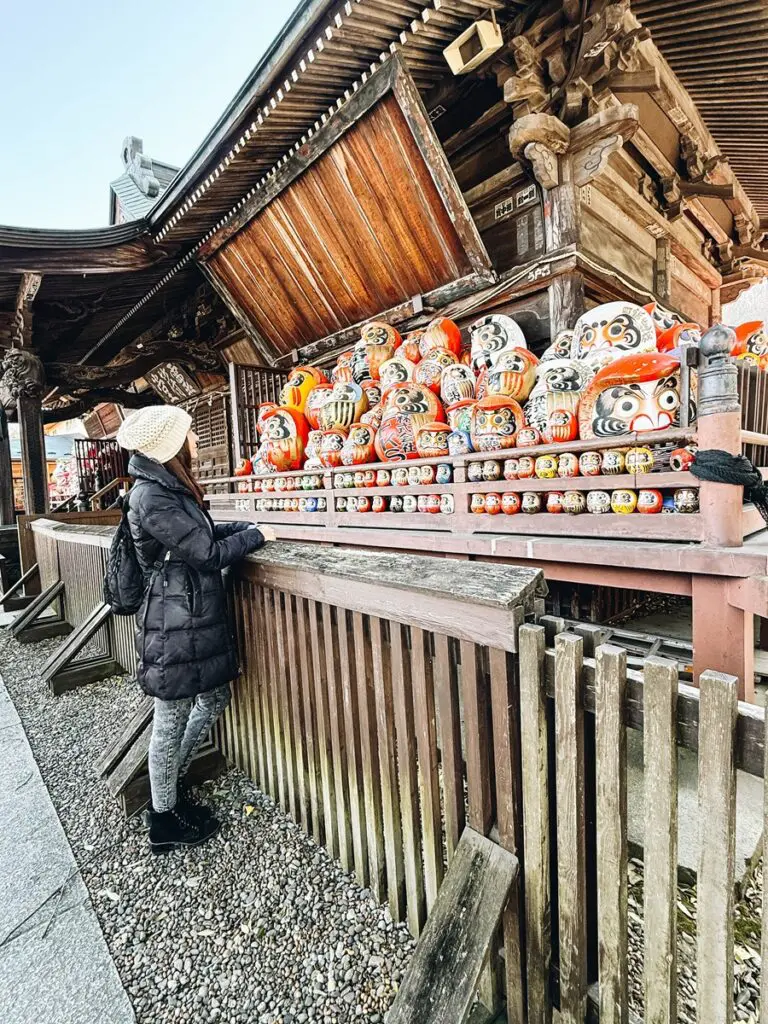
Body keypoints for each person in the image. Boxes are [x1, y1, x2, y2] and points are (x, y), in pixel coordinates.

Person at [116, 406, 274, 854]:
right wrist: (256, 537)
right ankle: (163, 819)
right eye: (189, 435)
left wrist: (246, 527)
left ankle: (170, 789)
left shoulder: (165, 488)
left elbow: (199, 533)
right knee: (170, 720)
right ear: (169, 444)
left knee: (213, 698)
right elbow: (205, 552)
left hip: (184, 616)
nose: (196, 443)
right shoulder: (150, 496)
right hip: (174, 621)